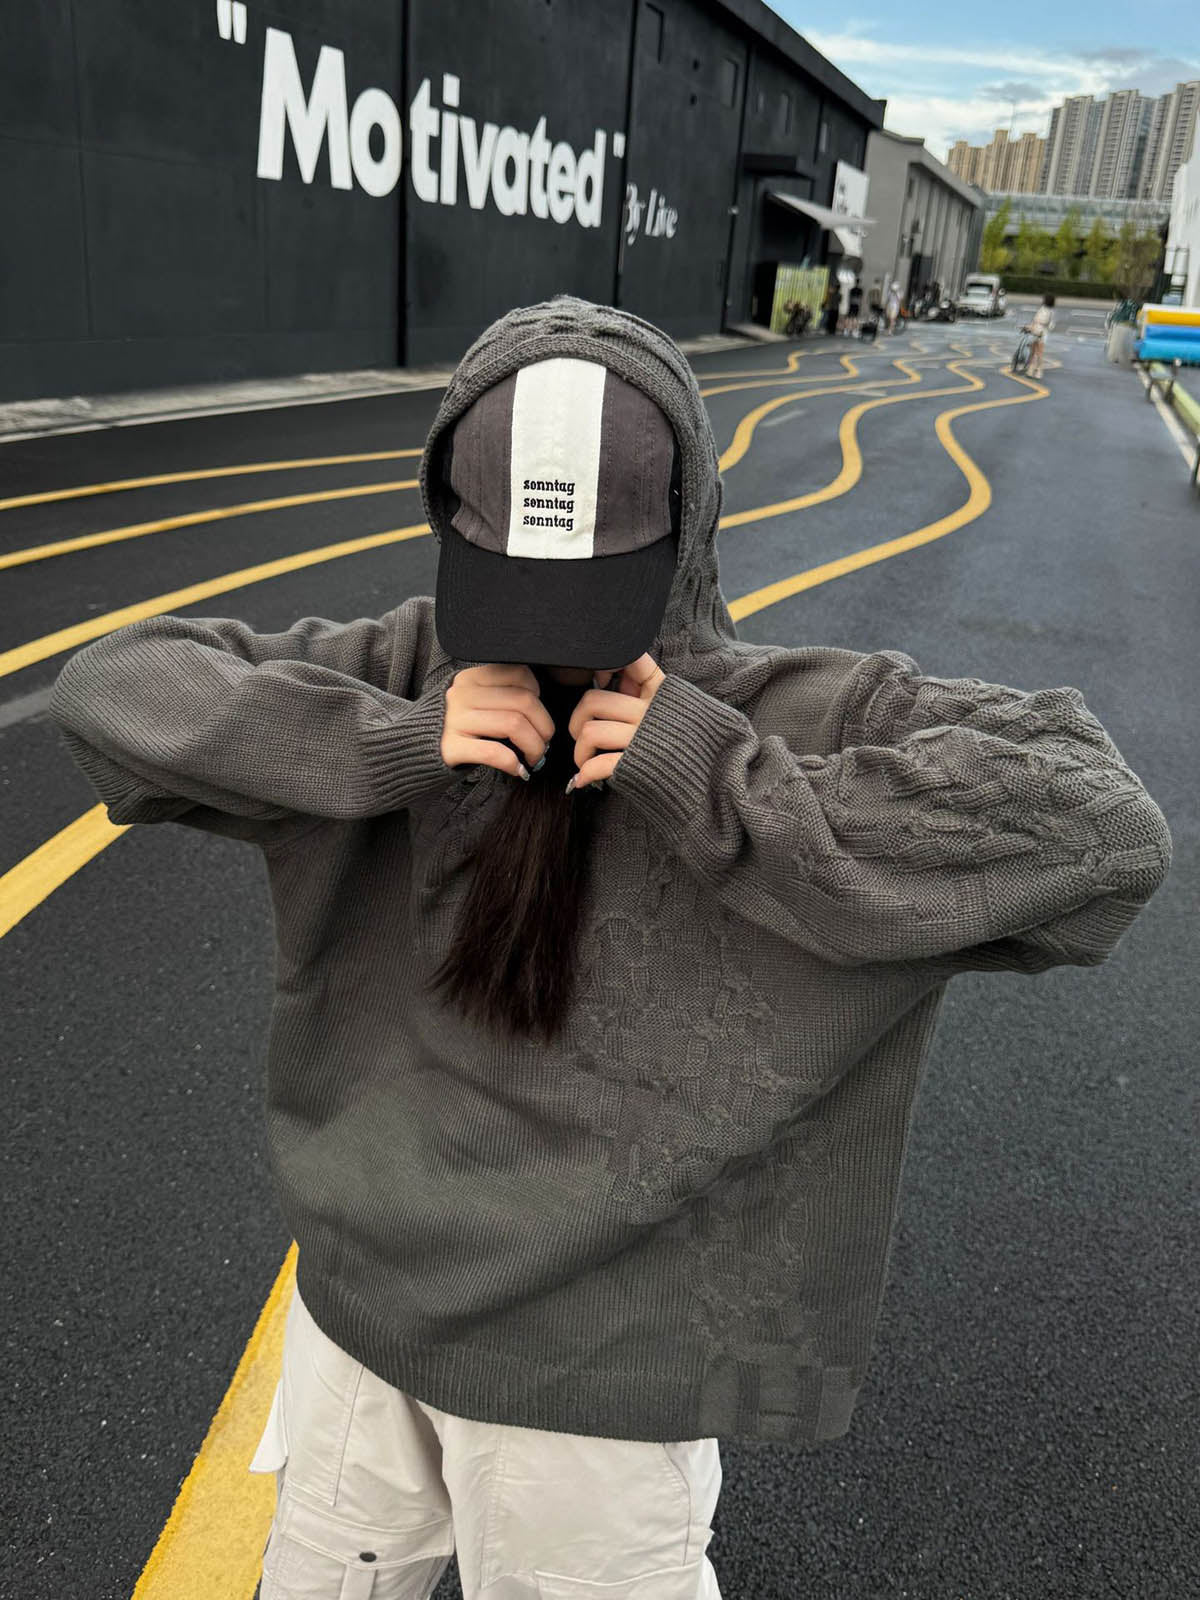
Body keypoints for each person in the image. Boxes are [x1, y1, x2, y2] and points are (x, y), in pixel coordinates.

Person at [48, 296, 1172, 1600]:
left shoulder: (784, 717)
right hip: (362, 1334)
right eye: (517, 587)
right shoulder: (409, 673)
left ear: (685, 532)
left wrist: (714, 777)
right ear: (453, 522)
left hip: (594, 1404)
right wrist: (398, 744)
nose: (551, 640)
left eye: (593, 589)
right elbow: (112, 689)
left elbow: (1101, 826)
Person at [1027, 291, 1056, 379]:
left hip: (1042, 332)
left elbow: (1051, 325)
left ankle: (1039, 371)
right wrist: (1031, 326)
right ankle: (1031, 368)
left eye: (1044, 298)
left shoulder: (1051, 311)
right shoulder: (1042, 308)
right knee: (1033, 351)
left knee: (1039, 353)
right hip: (1035, 330)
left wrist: (1043, 327)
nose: (1043, 299)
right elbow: (1035, 319)